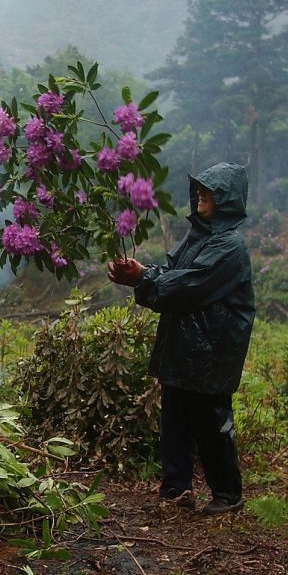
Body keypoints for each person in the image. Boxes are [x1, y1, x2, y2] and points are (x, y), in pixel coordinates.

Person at [108, 162, 255, 515]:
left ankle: (227, 495)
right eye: (200, 189)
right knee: (175, 420)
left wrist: (143, 280)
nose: (201, 194)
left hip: (211, 352)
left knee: (211, 423)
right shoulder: (200, 237)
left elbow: (189, 285)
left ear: (227, 199)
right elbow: (173, 273)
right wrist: (143, 272)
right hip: (184, 348)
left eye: (209, 190)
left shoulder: (229, 246)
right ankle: (177, 489)